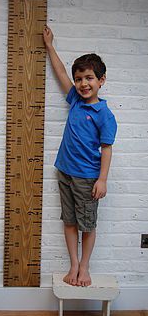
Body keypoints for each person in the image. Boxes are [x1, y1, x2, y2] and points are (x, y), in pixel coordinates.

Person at [43, 26, 117, 287]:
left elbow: (106, 149)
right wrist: (51, 47)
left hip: (87, 178)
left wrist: (102, 179)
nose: (83, 84)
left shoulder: (104, 115)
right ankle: (73, 264)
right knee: (70, 221)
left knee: (87, 224)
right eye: (79, 79)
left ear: (101, 80)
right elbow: (61, 72)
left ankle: (85, 267)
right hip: (64, 171)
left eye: (89, 78)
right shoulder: (74, 99)